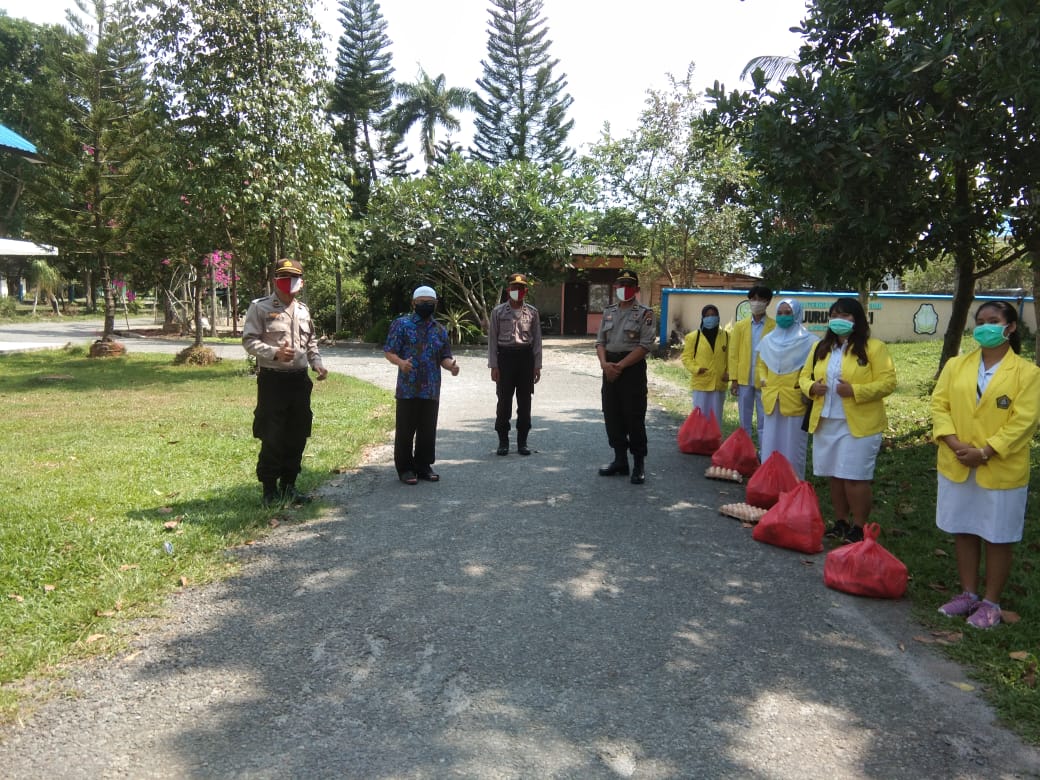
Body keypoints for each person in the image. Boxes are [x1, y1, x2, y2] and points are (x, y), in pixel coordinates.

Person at [931, 301, 1040, 629]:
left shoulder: (1027, 373)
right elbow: (939, 404)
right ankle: (968, 594)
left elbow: (1025, 421)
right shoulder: (956, 366)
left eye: (993, 321)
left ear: (1010, 327)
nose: (985, 327)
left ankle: (991, 601)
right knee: (964, 528)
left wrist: (988, 451)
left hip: (1000, 467)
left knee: (998, 534)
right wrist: (953, 442)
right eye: (980, 321)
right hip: (958, 460)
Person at [799, 297, 896, 543]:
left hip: (859, 424)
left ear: (857, 320)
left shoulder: (874, 347)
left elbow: (888, 383)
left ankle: (859, 526)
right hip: (826, 420)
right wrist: (811, 387)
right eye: (835, 316)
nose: (839, 321)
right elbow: (803, 376)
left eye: (846, 316)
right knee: (835, 475)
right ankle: (840, 521)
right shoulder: (820, 348)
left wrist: (856, 390)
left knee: (855, 477)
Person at [242, 258, 328, 507]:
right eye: (284, 276)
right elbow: (249, 341)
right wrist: (274, 352)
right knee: (273, 434)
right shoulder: (260, 307)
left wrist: (317, 363)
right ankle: (269, 490)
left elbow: (310, 343)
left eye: (294, 277)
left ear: (301, 282)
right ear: (275, 279)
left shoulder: (302, 311)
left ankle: (289, 486)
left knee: (297, 434)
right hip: (273, 382)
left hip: (299, 382)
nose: (288, 281)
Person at [384, 285, 460, 485]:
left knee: (427, 430)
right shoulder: (401, 325)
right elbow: (389, 351)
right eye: (422, 303)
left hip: (431, 388)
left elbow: (444, 357)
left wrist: (451, 366)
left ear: (435, 304)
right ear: (413, 303)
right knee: (405, 430)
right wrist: (400, 363)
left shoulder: (440, 329)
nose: (425, 305)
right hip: (407, 388)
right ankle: (406, 468)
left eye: (430, 303)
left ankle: (423, 465)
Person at [596, 269, 657, 485]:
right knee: (612, 414)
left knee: (634, 415)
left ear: (637, 289)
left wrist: (619, 366)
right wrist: (605, 365)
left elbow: (645, 345)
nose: (624, 289)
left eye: (629, 285)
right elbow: (600, 342)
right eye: (620, 285)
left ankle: (638, 463)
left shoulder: (645, 313)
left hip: (631, 369)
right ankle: (620, 460)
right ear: (615, 288)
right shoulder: (608, 311)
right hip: (609, 367)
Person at [756, 298, 818, 478]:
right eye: (780, 313)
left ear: (797, 314)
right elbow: (762, 363)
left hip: (795, 399)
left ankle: (793, 486)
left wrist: (804, 387)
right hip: (772, 398)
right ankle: (769, 483)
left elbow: (813, 369)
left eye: (788, 313)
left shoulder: (810, 341)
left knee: (793, 446)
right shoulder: (768, 340)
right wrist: (763, 379)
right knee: (770, 443)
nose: (783, 316)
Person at [488, 272, 542, 456]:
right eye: (513, 288)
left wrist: (537, 366)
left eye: (520, 288)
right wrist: (494, 366)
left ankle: (522, 442)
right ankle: (503, 442)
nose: (516, 291)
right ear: (508, 289)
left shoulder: (532, 312)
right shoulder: (498, 312)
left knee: (525, 401)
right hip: (505, 359)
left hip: (525, 358)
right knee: (504, 401)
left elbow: (537, 341)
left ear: (525, 291)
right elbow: (492, 341)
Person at [728, 285, 775, 439]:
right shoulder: (740, 326)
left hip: (764, 380)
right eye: (753, 299)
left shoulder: (774, 327)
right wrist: (734, 379)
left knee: (764, 420)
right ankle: (745, 454)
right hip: (743, 379)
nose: (756, 302)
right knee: (744, 421)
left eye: (760, 299)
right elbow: (733, 354)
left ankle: (764, 453)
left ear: (768, 302)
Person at [681, 304, 728, 424]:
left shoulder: (727, 336)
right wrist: (696, 369)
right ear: (702, 318)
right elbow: (686, 358)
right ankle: (699, 441)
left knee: (716, 418)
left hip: (719, 383)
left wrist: (729, 373)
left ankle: (714, 442)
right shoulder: (693, 337)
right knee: (700, 416)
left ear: (718, 317)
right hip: (701, 383)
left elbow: (731, 358)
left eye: (713, 315)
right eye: (707, 316)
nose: (710, 318)